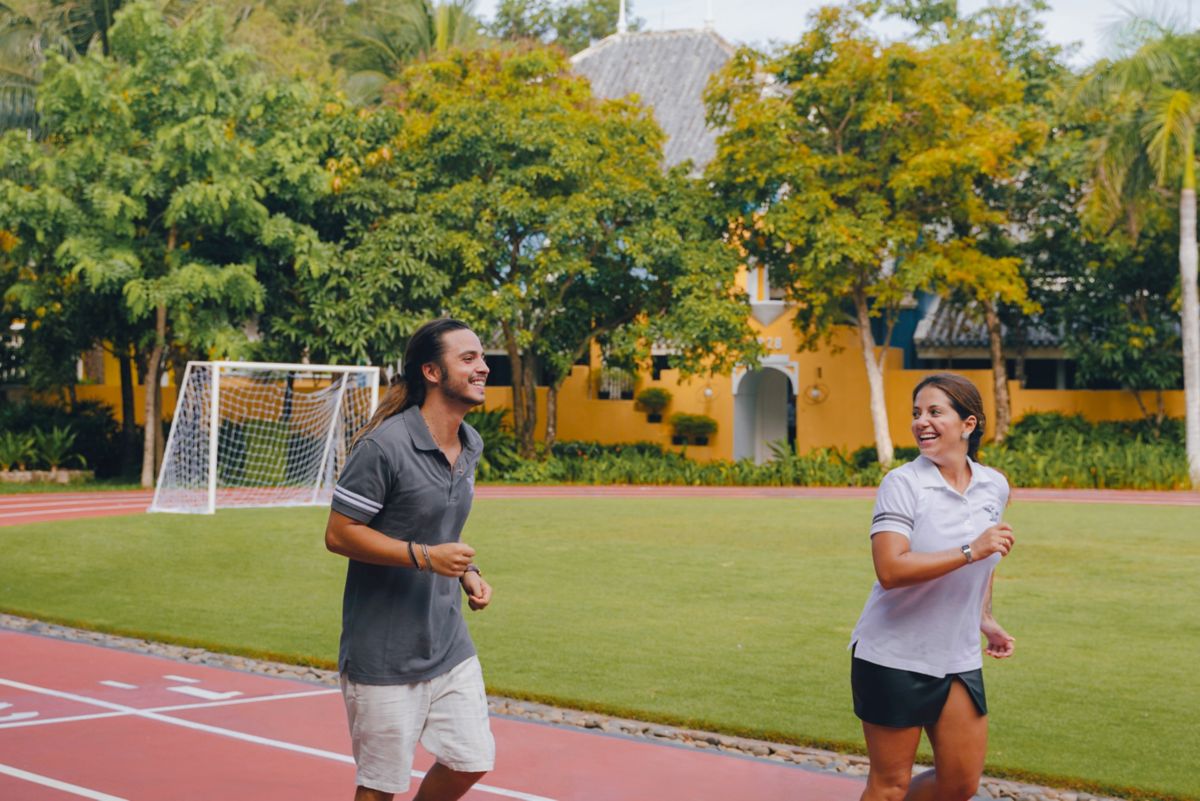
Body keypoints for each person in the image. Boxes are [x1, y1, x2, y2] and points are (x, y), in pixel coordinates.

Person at [325, 318, 495, 801]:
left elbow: (439, 527)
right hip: (383, 652)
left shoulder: (470, 443)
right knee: (379, 789)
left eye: (482, 357)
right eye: (468, 358)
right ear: (432, 372)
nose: (483, 367)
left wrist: (466, 572)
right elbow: (339, 534)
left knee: (470, 760)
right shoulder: (384, 446)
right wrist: (425, 557)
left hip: (447, 643)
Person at [849, 372, 1016, 801]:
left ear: (968, 424)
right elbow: (890, 569)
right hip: (893, 656)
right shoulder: (903, 484)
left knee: (959, 784)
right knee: (890, 787)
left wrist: (984, 617)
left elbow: (987, 561)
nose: (921, 421)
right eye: (917, 413)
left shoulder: (994, 485)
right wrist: (971, 549)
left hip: (958, 656)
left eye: (935, 412)